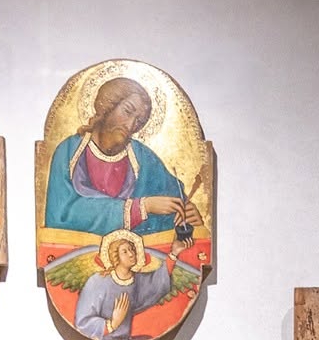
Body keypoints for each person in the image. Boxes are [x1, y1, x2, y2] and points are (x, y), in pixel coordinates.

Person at [43, 76, 202, 241]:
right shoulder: (69, 152)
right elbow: (60, 215)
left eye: (139, 121)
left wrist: (186, 216)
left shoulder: (144, 159)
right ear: (107, 106)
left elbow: (172, 206)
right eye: (127, 111)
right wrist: (140, 208)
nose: (131, 125)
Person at [73, 229, 177, 340]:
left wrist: (174, 253)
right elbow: (82, 322)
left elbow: (157, 282)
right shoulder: (97, 282)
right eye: (125, 251)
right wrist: (112, 324)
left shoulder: (137, 281)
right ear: (115, 256)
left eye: (132, 249)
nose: (131, 254)